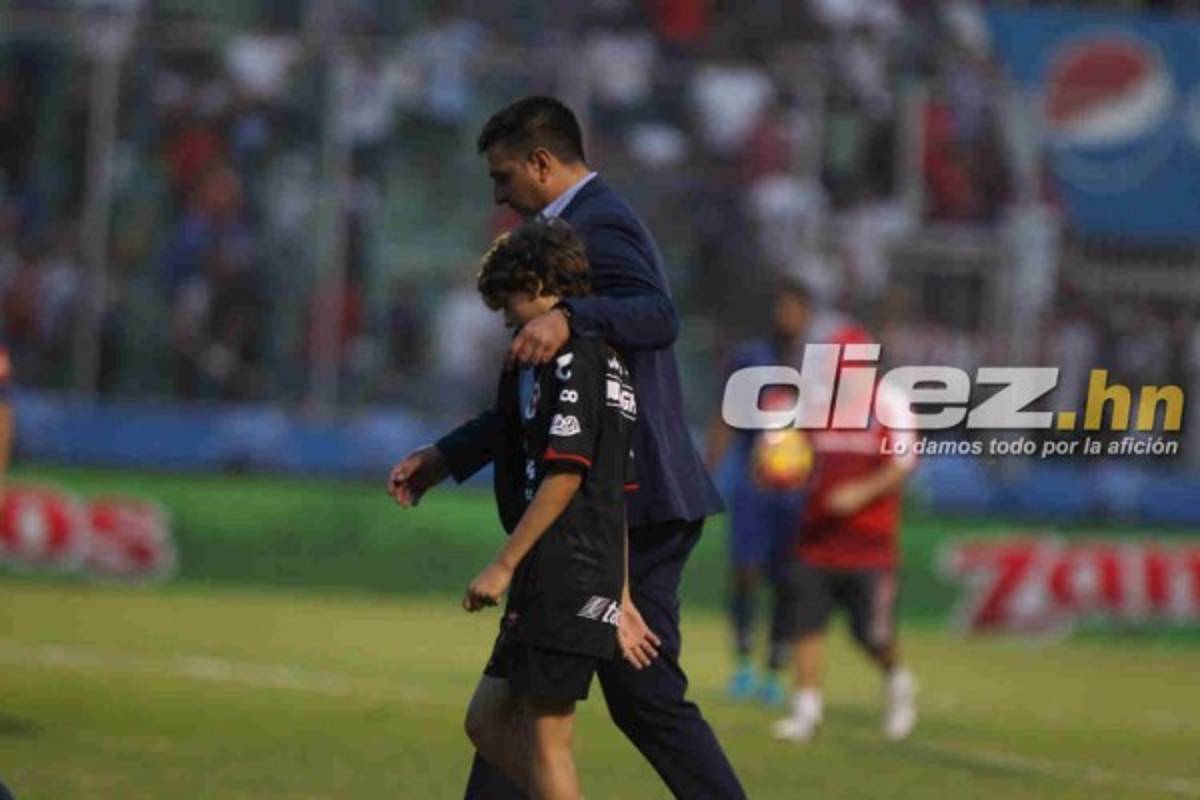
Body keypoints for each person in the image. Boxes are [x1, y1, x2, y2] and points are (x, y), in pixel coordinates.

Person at [388, 96, 744, 799]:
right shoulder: (564, 238)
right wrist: (449, 456)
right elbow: (539, 408)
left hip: (622, 505)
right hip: (588, 508)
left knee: (638, 695)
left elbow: (658, 317)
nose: (498, 195)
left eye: (503, 176)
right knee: (519, 701)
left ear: (542, 163)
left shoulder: (598, 225)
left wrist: (570, 314)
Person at [458, 219, 638, 799]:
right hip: (565, 566)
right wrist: (623, 591)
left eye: (512, 308)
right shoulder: (600, 359)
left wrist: (502, 563)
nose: (511, 325)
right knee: (486, 721)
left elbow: (568, 474)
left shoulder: (574, 358)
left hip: (566, 567)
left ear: (538, 283)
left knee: (547, 737)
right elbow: (616, 494)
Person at [771, 326, 920, 743]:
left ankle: (897, 681)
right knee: (807, 625)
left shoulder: (890, 404)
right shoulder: (815, 406)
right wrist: (777, 463)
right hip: (817, 539)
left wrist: (860, 492)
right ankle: (806, 712)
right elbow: (788, 454)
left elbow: (903, 466)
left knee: (872, 635)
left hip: (870, 546)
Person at [705, 279, 813, 705]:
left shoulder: (818, 365)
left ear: (805, 315)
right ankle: (744, 662)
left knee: (788, 581)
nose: (785, 316)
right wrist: (708, 472)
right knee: (745, 573)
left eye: (793, 309)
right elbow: (724, 417)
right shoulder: (749, 359)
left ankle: (775, 667)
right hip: (755, 489)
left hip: (798, 493)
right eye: (780, 307)